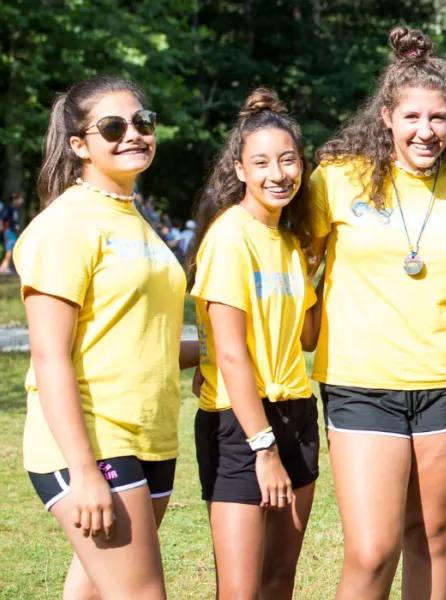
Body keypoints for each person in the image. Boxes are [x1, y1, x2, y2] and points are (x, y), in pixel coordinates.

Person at [306, 27, 446, 599]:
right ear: (386, 115)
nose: (426, 131)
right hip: (360, 385)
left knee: (432, 535)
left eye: (438, 118)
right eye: (412, 117)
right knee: (372, 550)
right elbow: (297, 270)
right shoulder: (337, 179)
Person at [20, 76, 193, 599]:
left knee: (92, 592)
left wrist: (219, 354)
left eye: (143, 122)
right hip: (93, 443)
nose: (133, 135)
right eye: (113, 127)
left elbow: (143, 338)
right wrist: (84, 471)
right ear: (79, 145)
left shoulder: (134, 219)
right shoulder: (64, 226)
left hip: (152, 436)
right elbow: (50, 358)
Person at [186, 88, 323, 600]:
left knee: (279, 579)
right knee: (240, 590)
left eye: (288, 160)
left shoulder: (288, 242)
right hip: (241, 425)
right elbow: (229, 353)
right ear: (240, 170)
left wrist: (322, 264)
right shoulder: (229, 237)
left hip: (297, 412)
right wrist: (263, 448)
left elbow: (305, 338)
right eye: (261, 162)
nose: (278, 173)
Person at [0, 190, 25, 272]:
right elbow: (2, 218)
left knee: (11, 248)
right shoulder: (10, 208)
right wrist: (1, 227)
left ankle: (5, 265)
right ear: (15, 199)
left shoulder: (14, 209)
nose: (21, 200)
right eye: (20, 198)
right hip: (9, 231)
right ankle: (4, 267)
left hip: (12, 232)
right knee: (9, 249)